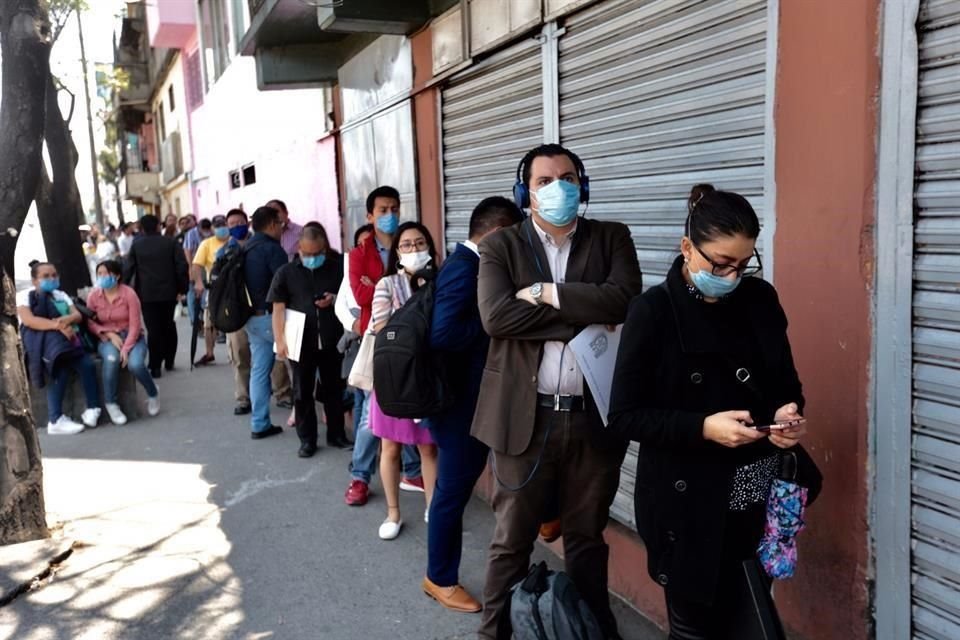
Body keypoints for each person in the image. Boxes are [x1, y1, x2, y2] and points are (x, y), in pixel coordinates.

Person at [608, 184, 816, 639]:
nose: (732, 275)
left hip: (753, 487)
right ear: (687, 248)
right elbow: (624, 416)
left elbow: (787, 384)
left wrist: (787, 414)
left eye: (743, 264)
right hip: (685, 501)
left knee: (749, 616)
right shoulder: (653, 312)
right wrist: (703, 427)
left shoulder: (760, 301)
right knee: (695, 629)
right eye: (720, 264)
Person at [474, 143, 643, 639]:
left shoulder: (612, 237)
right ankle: (493, 633)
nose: (557, 189)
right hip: (524, 419)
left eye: (567, 178)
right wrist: (582, 315)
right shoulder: (501, 246)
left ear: (582, 186)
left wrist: (545, 294)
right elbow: (496, 317)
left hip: (593, 418)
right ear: (525, 193)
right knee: (511, 541)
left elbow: (624, 301)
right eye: (544, 181)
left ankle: (592, 631)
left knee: (587, 539)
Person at [423, 197, 524, 612]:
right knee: (451, 493)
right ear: (497, 235)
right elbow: (444, 333)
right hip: (460, 406)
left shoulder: (471, 265)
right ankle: (439, 578)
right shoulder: (465, 268)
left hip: (475, 400)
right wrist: (496, 323)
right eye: (515, 239)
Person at [344, 186, 422, 507]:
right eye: (382, 210)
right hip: (380, 341)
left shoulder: (410, 244)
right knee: (371, 414)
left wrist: (378, 286)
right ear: (369, 215)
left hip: (414, 342)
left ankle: (412, 471)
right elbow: (361, 296)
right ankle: (360, 477)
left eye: (394, 209)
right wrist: (391, 287)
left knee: (407, 407)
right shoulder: (359, 254)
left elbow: (422, 290)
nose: (390, 215)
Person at [369, 221, 439, 540]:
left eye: (420, 243)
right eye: (407, 244)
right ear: (397, 252)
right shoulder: (387, 284)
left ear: (430, 248)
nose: (414, 249)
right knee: (390, 448)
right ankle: (393, 513)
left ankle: (433, 507)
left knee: (428, 449)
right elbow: (381, 328)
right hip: (394, 378)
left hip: (426, 378)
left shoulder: (439, 282)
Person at [270, 224, 349, 457]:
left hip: (332, 339)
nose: (312, 258)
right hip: (300, 342)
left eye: (317, 253)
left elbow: (349, 297)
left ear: (324, 248)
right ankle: (307, 440)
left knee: (334, 389)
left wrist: (333, 298)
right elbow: (278, 309)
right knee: (302, 392)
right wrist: (280, 340)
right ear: (299, 249)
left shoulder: (337, 268)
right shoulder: (286, 273)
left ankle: (336, 434)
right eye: (307, 253)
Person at [17, 262, 101, 435]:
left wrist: (65, 321)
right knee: (58, 368)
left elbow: (77, 315)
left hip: (68, 342)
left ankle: (93, 408)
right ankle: (55, 419)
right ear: (34, 280)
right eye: (46, 276)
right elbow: (29, 320)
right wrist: (58, 326)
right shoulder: (25, 296)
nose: (52, 279)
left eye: (54, 275)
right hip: (41, 344)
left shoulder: (60, 294)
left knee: (87, 365)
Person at [86, 259, 160, 423]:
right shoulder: (94, 296)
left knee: (135, 364)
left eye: (107, 273)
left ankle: (153, 392)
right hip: (107, 338)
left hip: (132, 337)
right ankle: (111, 404)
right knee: (111, 359)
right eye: (100, 274)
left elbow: (135, 324)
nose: (103, 277)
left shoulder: (129, 294)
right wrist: (108, 334)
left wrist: (126, 348)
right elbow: (90, 322)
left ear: (117, 275)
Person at [242, 206, 289, 440]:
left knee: (259, 371)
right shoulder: (272, 249)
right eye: (280, 223)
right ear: (272, 224)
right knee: (302, 365)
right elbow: (285, 284)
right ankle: (311, 419)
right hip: (273, 318)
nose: (282, 228)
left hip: (251, 318)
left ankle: (259, 423)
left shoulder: (246, 247)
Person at [123, 214, 189, 377]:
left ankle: (155, 365)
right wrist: (182, 288)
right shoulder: (171, 242)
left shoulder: (137, 245)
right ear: (159, 226)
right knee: (169, 325)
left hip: (147, 294)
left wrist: (123, 287)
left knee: (153, 328)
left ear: (142, 229)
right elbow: (181, 266)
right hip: (169, 292)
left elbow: (128, 268)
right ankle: (169, 359)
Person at [335, 224, 373, 441]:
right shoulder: (352, 269)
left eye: (369, 243)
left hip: (379, 339)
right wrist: (354, 323)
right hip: (357, 342)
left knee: (371, 400)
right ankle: (362, 450)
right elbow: (340, 305)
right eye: (360, 244)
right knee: (361, 397)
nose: (364, 248)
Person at [191, 214, 232, 368]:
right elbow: (196, 265)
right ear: (213, 228)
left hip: (234, 288)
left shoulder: (234, 241)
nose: (222, 228)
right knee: (209, 323)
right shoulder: (207, 244)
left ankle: (233, 353)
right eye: (218, 226)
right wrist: (198, 282)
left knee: (233, 321)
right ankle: (209, 353)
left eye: (224, 225)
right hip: (214, 289)